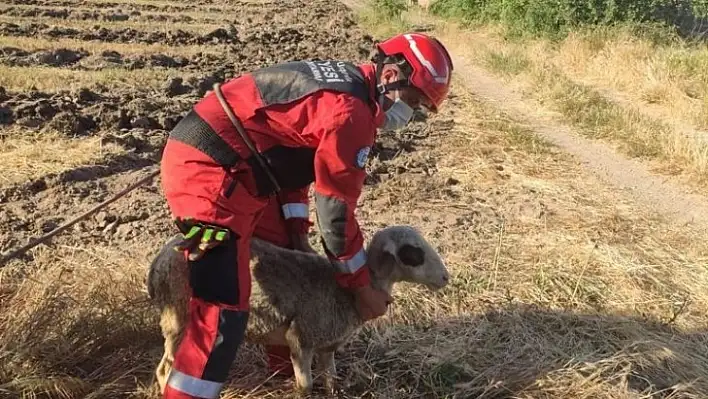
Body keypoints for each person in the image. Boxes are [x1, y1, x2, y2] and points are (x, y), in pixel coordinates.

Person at [158, 32, 453, 399]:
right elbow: (336, 213)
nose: (409, 112)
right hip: (208, 172)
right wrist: (361, 288)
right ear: (391, 76)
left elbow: (290, 157)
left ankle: (288, 376)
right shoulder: (351, 113)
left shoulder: (351, 90)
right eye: (411, 99)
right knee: (222, 309)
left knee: (288, 258)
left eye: (419, 106)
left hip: (243, 170)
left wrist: (297, 232)